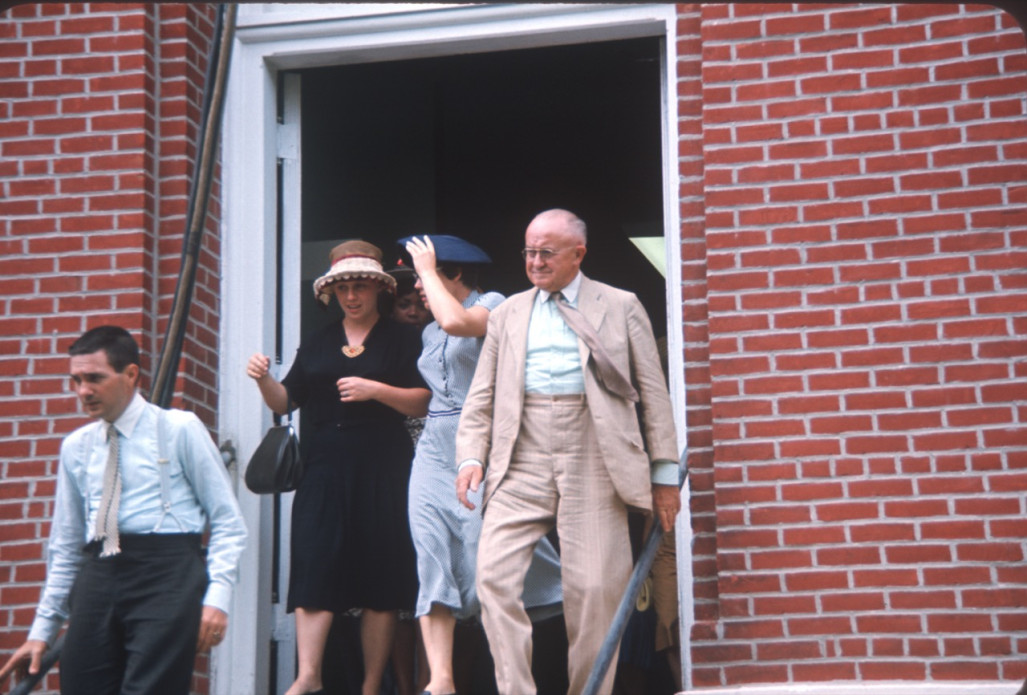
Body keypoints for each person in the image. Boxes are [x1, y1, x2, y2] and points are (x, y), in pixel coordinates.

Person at [455, 209, 681, 695]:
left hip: (596, 454)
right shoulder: (507, 312)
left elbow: (654, 394)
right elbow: (481, 396)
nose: (534, 262)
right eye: (529, 252)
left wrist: (664, 475)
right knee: (491, 579)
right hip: (521, 453)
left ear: (578, 254)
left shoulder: (621, 305)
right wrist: (471, 457)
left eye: (546, 253)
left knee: (597, 593)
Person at [0, 325, 247, 695]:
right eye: (76, 380)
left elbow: (228, 521)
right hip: (98, 574)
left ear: (131, 374)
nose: (83, 390)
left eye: (95, 378)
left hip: (166, 572)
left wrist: (217, 598)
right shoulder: (77, 447)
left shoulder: (178, 428)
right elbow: (66, 547)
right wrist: (42, 631)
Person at [246, 240, 430, 695]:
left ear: (378, 289)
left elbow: (425, 401)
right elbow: (287, 400)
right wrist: (263, 379)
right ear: (331, 291)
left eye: (361, 285)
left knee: (382, 573)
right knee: (315, 563)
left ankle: (371, 685)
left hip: (384, 467)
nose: (352, 295)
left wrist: (376, 390)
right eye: (344, 286)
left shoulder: (404, 338)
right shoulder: (320, 341)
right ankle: (308, 675)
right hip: (324, 466)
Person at [401, 234, 563, 695]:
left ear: (451, 273)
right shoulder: (428, 331)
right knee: (429, 549)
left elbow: (457, 322)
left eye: (424, 275)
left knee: (484, 559)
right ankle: (442, 680)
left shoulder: (494, 304)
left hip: (483, 445)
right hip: (434, 447)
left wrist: (427, 270)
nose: (416, 286)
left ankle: (511, 676)